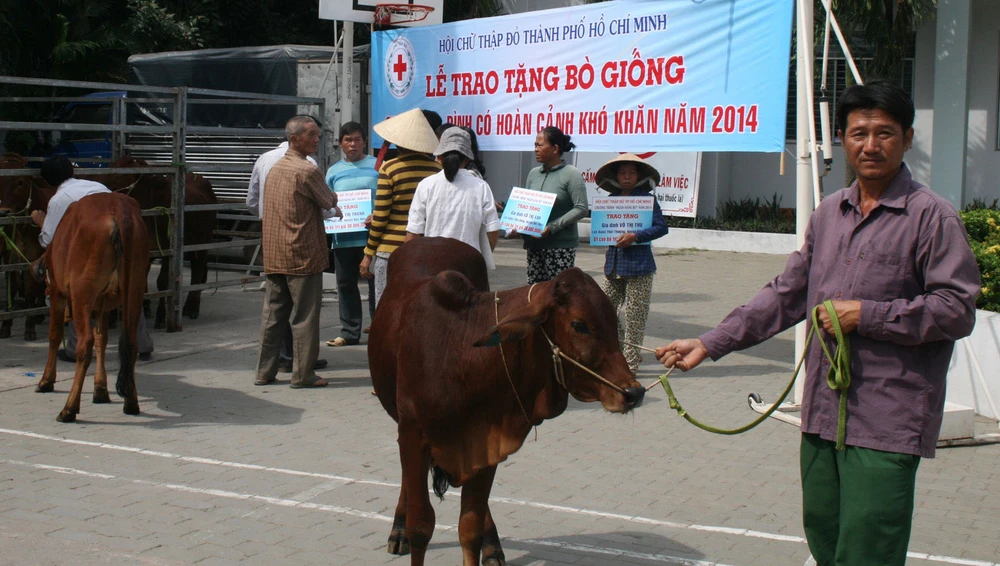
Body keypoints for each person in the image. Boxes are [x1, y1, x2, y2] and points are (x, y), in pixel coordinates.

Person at [656, 81, 981, 566]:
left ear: (908, 138)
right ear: (843, 140)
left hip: (888, 417)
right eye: (858, 133)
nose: (871, 145)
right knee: (825, 539)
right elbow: (786, 295)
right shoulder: (830, 213)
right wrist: (710, 342)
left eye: (885, 133)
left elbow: (957, 309)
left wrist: (866, 315)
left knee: (867, 550)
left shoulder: (931, 217)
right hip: (823, 414)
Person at [30, 156, 154, 363]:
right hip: (121, 240)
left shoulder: (60, 199)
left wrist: (42, 222)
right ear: (73, 172)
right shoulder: (98, 186)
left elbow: (49, 241)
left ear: (47, 182)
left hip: (89, 250)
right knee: (129, 287)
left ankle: (74, 348)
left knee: (75, 291)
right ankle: (143, 344)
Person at [254, 116, 338, 389]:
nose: (317, 140)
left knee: (273, 316)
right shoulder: (307, 170)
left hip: (275, 253)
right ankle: (303, 375)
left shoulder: (275, 167)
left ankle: (264, 372)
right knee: (304, 317)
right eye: (312, 135)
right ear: (295, 139)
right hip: (303, 254)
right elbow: (329, 200)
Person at [595, 154, 668, 376]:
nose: (627, 177)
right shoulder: (609, 199)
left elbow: (661, 227)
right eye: (623, 173)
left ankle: (631, 364)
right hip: (613, 266)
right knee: (603, 311)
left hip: (640, 267)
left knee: (635, 317)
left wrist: (635, 236)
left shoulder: (647, 200)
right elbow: (602, 228)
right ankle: (618, 354)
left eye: (632, 173)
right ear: (616, 176)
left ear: (638, 176)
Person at [360, 108, 440, 306]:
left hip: (390, 250)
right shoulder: (437, 169)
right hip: (425, 248)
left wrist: (368, 254)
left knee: (387, 308)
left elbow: (381, 217)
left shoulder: (390, 168)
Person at [405, 127, 501, 263]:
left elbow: (413, 233)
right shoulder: (481, 187)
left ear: (440, 156)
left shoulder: (426, 185)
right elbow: (493, 230)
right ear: (467, 158)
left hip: (433, 265)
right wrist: (481, 258)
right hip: (469, 265)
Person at [324, 121, 377, 347]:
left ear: (364, 142)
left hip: (371, 238)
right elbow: (326, 201)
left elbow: (386, 196)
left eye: (357, 139)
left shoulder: (378, 166)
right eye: (348, 140)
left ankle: (380, 329)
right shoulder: (333, 171)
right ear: (340, 144)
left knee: (377, 284)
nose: (352, 144)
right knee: (345, 285)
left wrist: (377, 213)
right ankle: (349, 332)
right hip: (343, 237)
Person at [516, 126, 588, 284]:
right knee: (536, 295)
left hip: (560, 247)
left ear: (555, 148)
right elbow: (527, 207)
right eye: (535, 145)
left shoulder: (571, 173)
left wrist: (552, 227)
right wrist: (517, 226)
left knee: (559, 295)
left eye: (540, 145)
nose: (536, 149)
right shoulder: (533, 174)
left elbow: (581, 208)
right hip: (534, 246)